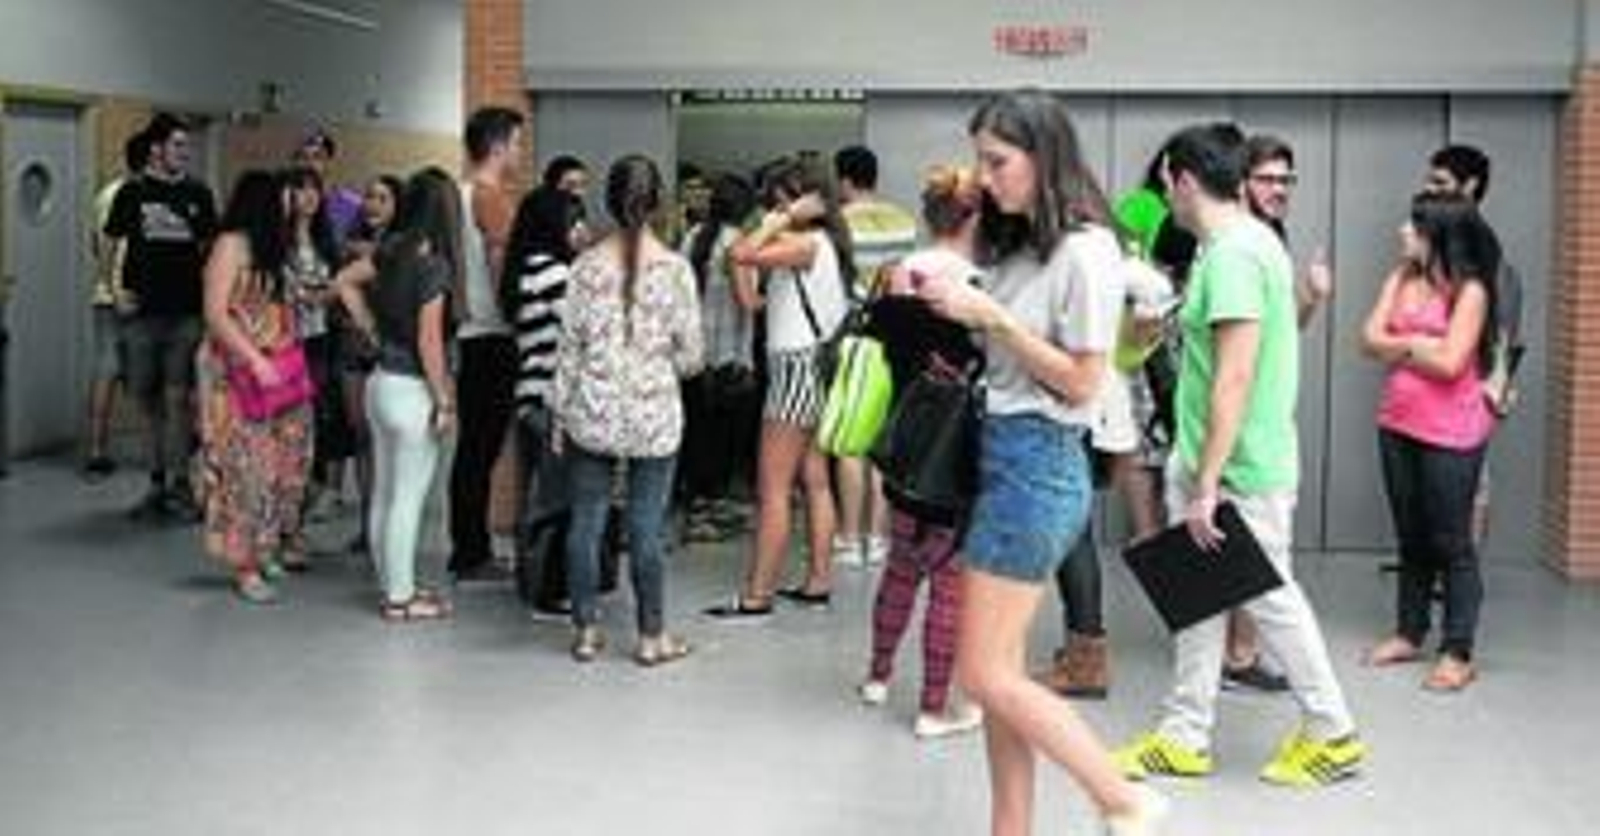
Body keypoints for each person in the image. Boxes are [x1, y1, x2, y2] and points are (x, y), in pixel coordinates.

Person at [913, 90, 1165, 835]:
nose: (985, 178)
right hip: (1002, 457)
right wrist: (960, 302)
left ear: (1042, 156)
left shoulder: (1086, 249)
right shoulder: (1018, 241)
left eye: (999, 162)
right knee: (1003, 673)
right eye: (980, 162)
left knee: (982, 674)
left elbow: (1084, 381)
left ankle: (1123, 798)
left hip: (1040, 464)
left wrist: (991, 317)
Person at [1115, 122, 1365, 789]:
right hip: (1213, 460)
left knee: (1271, 596)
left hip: (1236, 470)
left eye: (1166, 184)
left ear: (1184, 181)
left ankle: (1333, 732)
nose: (1163, 196)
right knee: (1200, 601)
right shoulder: (1236, 246)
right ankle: (1184, 734)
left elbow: (1235, 376)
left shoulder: (1233, 256)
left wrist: (1207, 484)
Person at [552, 155, 703, 663]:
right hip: (653, 417)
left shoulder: (584, 267)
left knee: (586, 522)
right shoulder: (676, 270)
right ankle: (651, 637)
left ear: (609, 202)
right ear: (658, 203)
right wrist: (656, 364)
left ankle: (586, 631)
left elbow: (569, 349)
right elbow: (692, 356)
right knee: (646, 528)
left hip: (591, 412)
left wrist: (560, 411)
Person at [856, 164, 985, 740]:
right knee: (949, 584)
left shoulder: (895, 276)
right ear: (973, 217)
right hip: (955, 454)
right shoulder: (979, 288)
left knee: (901, 568)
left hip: (901, 444)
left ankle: (877, 675)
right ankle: (934, 708)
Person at [1211, 134, 1339, 694]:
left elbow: (1282, 333)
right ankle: (1234, 659)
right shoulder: (1231, 246)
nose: (1279, 189)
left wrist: (1312, 296)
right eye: (1267, 178)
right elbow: (1230, 356)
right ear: (1240, 183)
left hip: (1261, 421)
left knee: (1246, 549)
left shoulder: (1270, 242)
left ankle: (1235, 655)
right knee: (1247, 553)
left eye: (1287, 180)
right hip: (1232, 421)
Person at [703, 157, 852, 620]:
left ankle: (757, 595)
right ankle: (818, 582)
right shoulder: (820, 243)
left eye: (783, 199)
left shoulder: (806, 243)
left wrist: (779, 219)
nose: (775, 207)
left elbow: (739, 252)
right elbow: (751, 297)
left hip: (794, 370)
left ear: (809, 200)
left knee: (772, 487)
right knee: (815, 481)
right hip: (814, 367)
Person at [1360, 192, 1498, 691]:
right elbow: (1366, 339)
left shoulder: (1471, 290)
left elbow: (1451, 363)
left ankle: (1458, 651)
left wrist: (1400, 347)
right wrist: (1419, 344)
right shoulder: (1401, 277)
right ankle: (1409, 632)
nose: (1403, 232)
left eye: (1414, 226)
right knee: (1411, 535)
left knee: (1452, 542)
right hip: (1397, 423)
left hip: (1452, 432)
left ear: (1439, 235)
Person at [337, 168, 462, 621]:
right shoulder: (435, 264)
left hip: (379, 383)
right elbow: (430, 342)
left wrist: (371, 328)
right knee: (408, 498)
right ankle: (400, 598)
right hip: (411, 392)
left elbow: (343, 281)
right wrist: (443, 399)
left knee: (386, 493)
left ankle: (393, 582)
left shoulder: (391, 250)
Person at [196, 169, 312, 605]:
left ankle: (265, 548)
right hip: (235, 373)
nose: (290, 204)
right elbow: (215, 313)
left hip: (276, 370)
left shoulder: (273, 247)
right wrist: (255, 358)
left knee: (281, 464)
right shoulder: (230, 245)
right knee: (244, 467)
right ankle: (243, 565)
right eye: (285, 197)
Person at [104, 113, 218, 520]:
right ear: (156, 149)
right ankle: (156, 483)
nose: (185, 153)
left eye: (187, 146)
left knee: (177, 399)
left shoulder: (198, 193)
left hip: (185, 313)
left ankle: (182, 485)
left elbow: (210, 250)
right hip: (140, 314)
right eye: (177, 145)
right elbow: (110, 244)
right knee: (146, 401)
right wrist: (114, 290)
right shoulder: (132, 192)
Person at [1421, 144, 1521, 545]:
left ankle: (1464, 562)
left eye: (1440, 182)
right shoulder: (1437, 238)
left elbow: (1504, 320)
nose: (1430, 189)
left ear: (1471, 186)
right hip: (1432, 380)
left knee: (1471, 480)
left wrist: (1498, 380)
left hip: (1468, 381)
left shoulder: (1481, 245)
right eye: (1430, 181)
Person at [449, 106, 525, 582]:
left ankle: (468, 547)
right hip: (492, 333)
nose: (519, 152)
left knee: (472, 449)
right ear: (497, 147)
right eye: (516, 143)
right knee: (481, 449)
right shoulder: (490, 197)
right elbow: (501, 265)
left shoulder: (456, 194)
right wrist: (516, 315)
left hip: (468, 332)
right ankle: (472, 553)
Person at [832, 144, 918, 569]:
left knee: (853, 438)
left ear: (844, 179)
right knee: (884, 438)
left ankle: (849, 538)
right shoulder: (904, 220)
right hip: (897, 336)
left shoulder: (838, 224)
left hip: (855, 335)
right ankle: (879, 537)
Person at [503, 183, 582, 619]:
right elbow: (584, 329)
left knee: (540, 492)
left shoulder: (525, 266)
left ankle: (532, 579)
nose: (582, 230)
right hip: (552, 400)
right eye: (575, 221)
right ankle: (550, 588)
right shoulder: (553, 272)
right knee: (557, 497)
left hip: (530, 396)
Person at [678, 173, 759, 542]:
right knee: (723, 438)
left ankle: (693, 503)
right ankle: (711, 507)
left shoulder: (693, 237)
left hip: (695, 353)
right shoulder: (740, 244)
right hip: (730, 355)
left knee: (696, 431)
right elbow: (748, 302)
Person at [283, 165, 349, 554]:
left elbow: (341, 287)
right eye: (300, 188)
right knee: (286, 433)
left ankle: (298, 522)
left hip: (320, 341)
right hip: (282, 342)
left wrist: (327, 295)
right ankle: (284, 527)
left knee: (316, 431)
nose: (308, 196)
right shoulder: (276, 241)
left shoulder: (327, 241)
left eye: (314, 189)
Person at [339, 174, 404, 554]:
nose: (372, 204)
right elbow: (338, 290)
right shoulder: (350, 247)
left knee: (391, 440)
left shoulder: (405, 246)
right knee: (362, 438)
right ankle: (367, 523)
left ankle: (391, 523)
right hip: (353, 348)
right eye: (369, 196)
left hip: (392, 353)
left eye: (382, 198)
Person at [83, 128, 152, 480]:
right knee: (147, 372)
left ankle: (96, 451)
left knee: (105, 370)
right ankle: (153, 452)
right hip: (133, 295)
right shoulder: (142, 196)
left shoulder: (105, 194)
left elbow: (96, 244)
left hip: (103, 295)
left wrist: (107, 282)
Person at [294, 128, 364, 241]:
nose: (309, 163)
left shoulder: (352, 203)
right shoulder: (288, 201)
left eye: (317, 157)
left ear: (330, 162)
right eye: (304, 157)